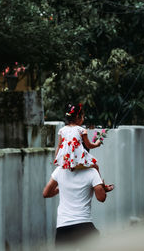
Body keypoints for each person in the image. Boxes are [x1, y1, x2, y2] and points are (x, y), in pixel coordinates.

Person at [42, 103, 113, 248]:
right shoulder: (92, 172)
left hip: (62, 228)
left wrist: (62, 187)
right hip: (84, 227)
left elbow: (46, 193)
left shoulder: (60, 171)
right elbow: (101, 198)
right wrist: (101, 188)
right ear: (84, 152)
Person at [53, 103, 114, 192]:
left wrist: (57, 159)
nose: (83, 119)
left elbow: (59, 146)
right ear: (78, 117)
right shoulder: (81, 130)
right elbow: (89, 145)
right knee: (95, 166)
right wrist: (97, 143)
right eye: (83, 116)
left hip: (66, 161)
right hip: (78, 161)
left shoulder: (62, 130)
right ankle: (102, 187)